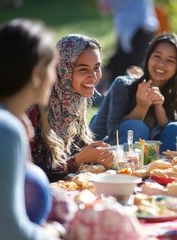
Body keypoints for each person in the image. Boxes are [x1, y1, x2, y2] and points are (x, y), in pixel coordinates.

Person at [0, 18, 62, 239]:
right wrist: (59, 233)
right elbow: (11, 233)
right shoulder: (1, 128)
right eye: (53, 68)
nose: (55, 77)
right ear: (36, 74)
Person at [28, 34, 114, 183]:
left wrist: (97, 158)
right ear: (64, 70)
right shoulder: (35, 108)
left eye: (97, 67)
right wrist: (78, 160)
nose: (93, 76)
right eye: (83, 69)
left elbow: (79, 152)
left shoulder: (75, 101)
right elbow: (33, 174)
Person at [90, 32, 177, 152]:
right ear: (148, 57)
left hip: (163, 159)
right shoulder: (123, 86)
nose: (161, 64)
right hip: (120, 155)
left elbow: (176, 135)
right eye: (157, 56)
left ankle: (171, 167)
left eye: (170, 60)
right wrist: (142, 106)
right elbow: (113, 132)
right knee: (135, 126)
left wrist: (159, 108)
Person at [95, 0, 159, 96]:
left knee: (138, 67)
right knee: (119, 67)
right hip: (130, 28)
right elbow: (104, 7)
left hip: (140, 28)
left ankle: (141, 95)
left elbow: (105, 7)